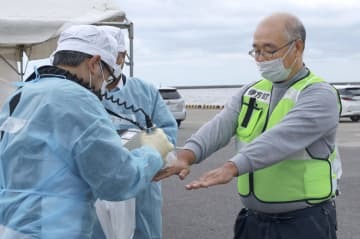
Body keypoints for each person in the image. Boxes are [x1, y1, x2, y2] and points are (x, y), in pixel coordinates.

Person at [155, 13, 341, 239]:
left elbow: (280, 140)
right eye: (256, 50)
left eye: (269, 50)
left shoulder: (319, 94)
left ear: (298, 47)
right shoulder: (251, 91)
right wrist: (187, 155)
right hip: (253, 220)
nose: (261, 58)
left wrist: (232, 167)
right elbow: (219, 126)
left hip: (304, 222)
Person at [0, 25, 173, 239]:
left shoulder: (20, 95)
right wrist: (151, 151)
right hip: (58, 230)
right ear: (94, 64)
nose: (103, 87)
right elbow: (118, 180)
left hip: (11, 228)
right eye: (105, 76)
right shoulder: (78, 100)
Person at [92, 26, 177, 239]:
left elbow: (167, 133)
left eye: (116, 57)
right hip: (95, 190)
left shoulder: (144, 91)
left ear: (122, 57)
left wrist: (142, 152)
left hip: (142, 189)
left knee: (142, 232)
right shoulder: (83, 93)